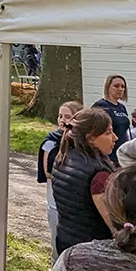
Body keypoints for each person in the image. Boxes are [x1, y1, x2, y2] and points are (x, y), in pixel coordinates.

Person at [50, 108, 118, 255]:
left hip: (65, 240)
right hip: (92, 249)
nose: (115, 138)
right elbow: (112, 223)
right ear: (90, 138)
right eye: (108, 133)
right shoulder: (99, 174)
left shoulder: (63, 158)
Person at [38, 101, 81, 256]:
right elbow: (48, 172)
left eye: (67, 117)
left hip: (77, 202)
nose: (62, 120)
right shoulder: (51, 141)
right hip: (56, 200)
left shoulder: (82, 142)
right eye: (60, 116)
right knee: (57, 237)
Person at [92, 73, 131, 158]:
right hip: (109, 152)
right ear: (108, 87)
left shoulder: (122, 107)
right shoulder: (100, 106)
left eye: (123, 87)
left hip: (123, 151)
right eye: (116, 86)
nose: (120, 89)